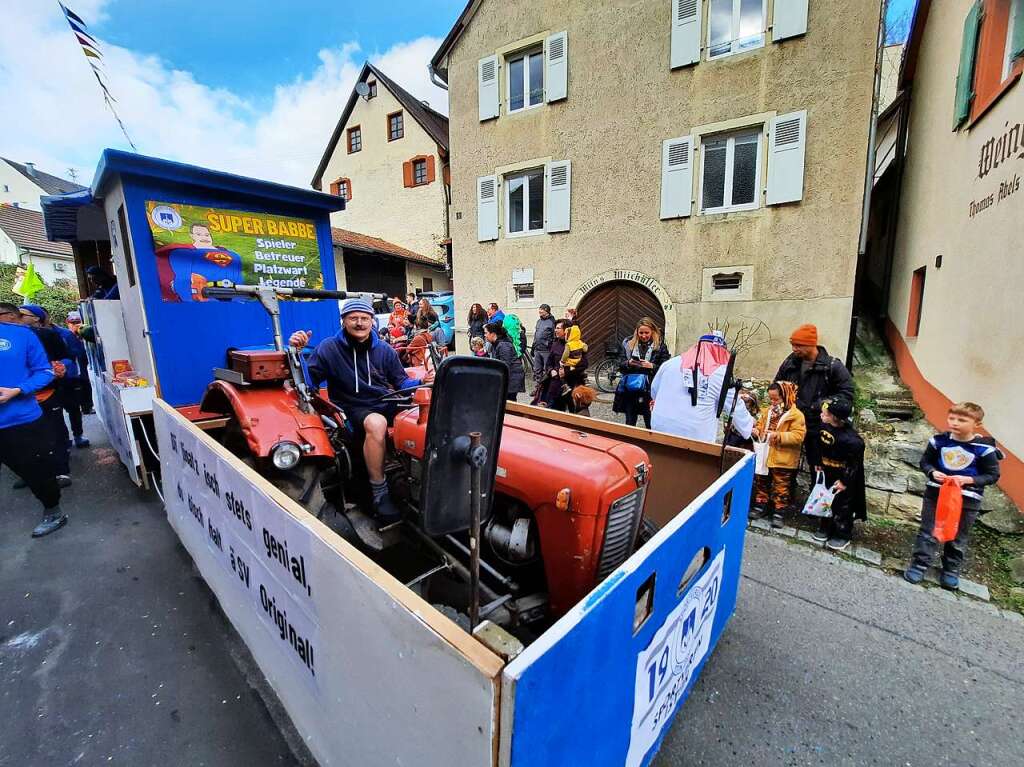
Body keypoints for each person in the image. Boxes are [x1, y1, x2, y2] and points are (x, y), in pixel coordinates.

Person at [288, 299, 434, 524]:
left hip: (384, 401)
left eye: (364, 318)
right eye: (353, 318)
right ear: (344, 321)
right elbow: (309, 384)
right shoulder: (329, 348)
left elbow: (401, 381)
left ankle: (426, 482)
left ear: (372, 322)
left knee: (427, 418)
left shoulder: (384, 349)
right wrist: (297, 354)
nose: (359, 323)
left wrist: (422, 381)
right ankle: (379, 491)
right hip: (352, 407)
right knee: (376, 423)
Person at [903, 402, 1002, 591]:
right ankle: (919, 564)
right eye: (952, 418)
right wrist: (932, 472)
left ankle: (950, 570)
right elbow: (925, 462)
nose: (954, 422)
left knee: (958, 535)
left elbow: (992, 476)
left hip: (967, 499)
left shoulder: (984, 450)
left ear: (977, 424)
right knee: (928, 530)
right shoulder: (939, 441)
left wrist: (969, 479)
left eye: (962, 420)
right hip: (936, 494)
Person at [0, 303, 67, 537]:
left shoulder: (20, 335)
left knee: (36, 468)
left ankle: (53, 510)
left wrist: (17, 390)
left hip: (20, 419)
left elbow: (45, 371)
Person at [774, 324, 854, 472]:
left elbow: (846, 393)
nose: (794, 349)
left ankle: (814, 494)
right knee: (784, 467)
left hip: (818, 425)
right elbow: (777, 384)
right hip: (792, 422)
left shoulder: (832, 366)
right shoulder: (790, 363)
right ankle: (785, 495)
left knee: (818, 468)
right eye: (792, 345)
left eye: (798, 345)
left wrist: (817, 406)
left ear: (811, 345)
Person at [650, 331, 754, 444]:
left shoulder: (670, 364)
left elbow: (654, 391)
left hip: (660, 428)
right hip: (694, 437)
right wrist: (748, 427)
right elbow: (734, 406)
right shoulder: (720, 373)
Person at [16, 305, 73, 486]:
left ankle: (61, 471)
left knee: (54, 431)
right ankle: (31, 474)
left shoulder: (49, 335)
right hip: (16, 398)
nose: (19, 317)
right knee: (24, 437)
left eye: (23, 314)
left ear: (36, 318)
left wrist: (60, 366)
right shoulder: (8, 339)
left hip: (47, 392)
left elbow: (67, 357)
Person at [810, 399, 866, 551]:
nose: (822, 415)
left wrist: (844, 481)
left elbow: (854, 465)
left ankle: (842, 533)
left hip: (842, 475)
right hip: (826, 470)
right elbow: (817, 446)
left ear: (835, 417)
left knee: (842, 505)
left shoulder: (853, 441)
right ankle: (825, 526)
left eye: (825, 414)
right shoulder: (823, 427)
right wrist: (818, 463)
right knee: (825, 499)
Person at [751, 382, 806, 528]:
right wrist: (756, 429)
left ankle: (779, 511)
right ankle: (760, 505)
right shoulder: (767, 411)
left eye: (776, 399)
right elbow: (760, 424)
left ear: (786, 396)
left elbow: (798, 436)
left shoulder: (796, 416)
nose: (773, 402)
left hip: (783, 456)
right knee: (761, 479)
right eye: (771, 399)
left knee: (781, 485)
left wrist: (779, 435)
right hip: (766, 453)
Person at [612, 317, 670, 428]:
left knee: (650, 422)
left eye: (646, 333)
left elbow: (665, 368)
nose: (643, 336)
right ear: (637, 332)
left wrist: (651, 366)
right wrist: (629, 363)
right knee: (630, 422)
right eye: (641, 333)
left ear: (652, 331)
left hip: (650, 389)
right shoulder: (629, 344)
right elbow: (620, 364)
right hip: (631, 389)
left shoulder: (660, 346)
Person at [484, 321, 525, 402]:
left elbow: (505, 365)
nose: (485, 335)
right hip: (508, 378)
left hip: (512, 379)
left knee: (509, 403)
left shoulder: (503, 345)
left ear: (493, 334)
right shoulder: (495, 344)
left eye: (486, 333)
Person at [66, 311, 94, 414]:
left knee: (86, 386)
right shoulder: (67, 336)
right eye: (73, 323)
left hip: (85, 366)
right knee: (80, 387)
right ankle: (82, 408)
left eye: (78, 322)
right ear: (68, 324)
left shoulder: (84, 332)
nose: (76, 325)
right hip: (75, 370)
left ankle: (88, 407)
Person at [532, 305, 555, 385]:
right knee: (537, 370)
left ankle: (547, 387)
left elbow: (554, 336)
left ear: (546, 311)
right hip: (537, 349)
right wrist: (533, 347)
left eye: (541, 311)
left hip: (546, 350)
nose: (539, 312)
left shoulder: (552, 321)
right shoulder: (539, 321)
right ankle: (538, 388)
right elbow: (536, 334)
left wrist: (549, 345)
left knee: (547, 369)